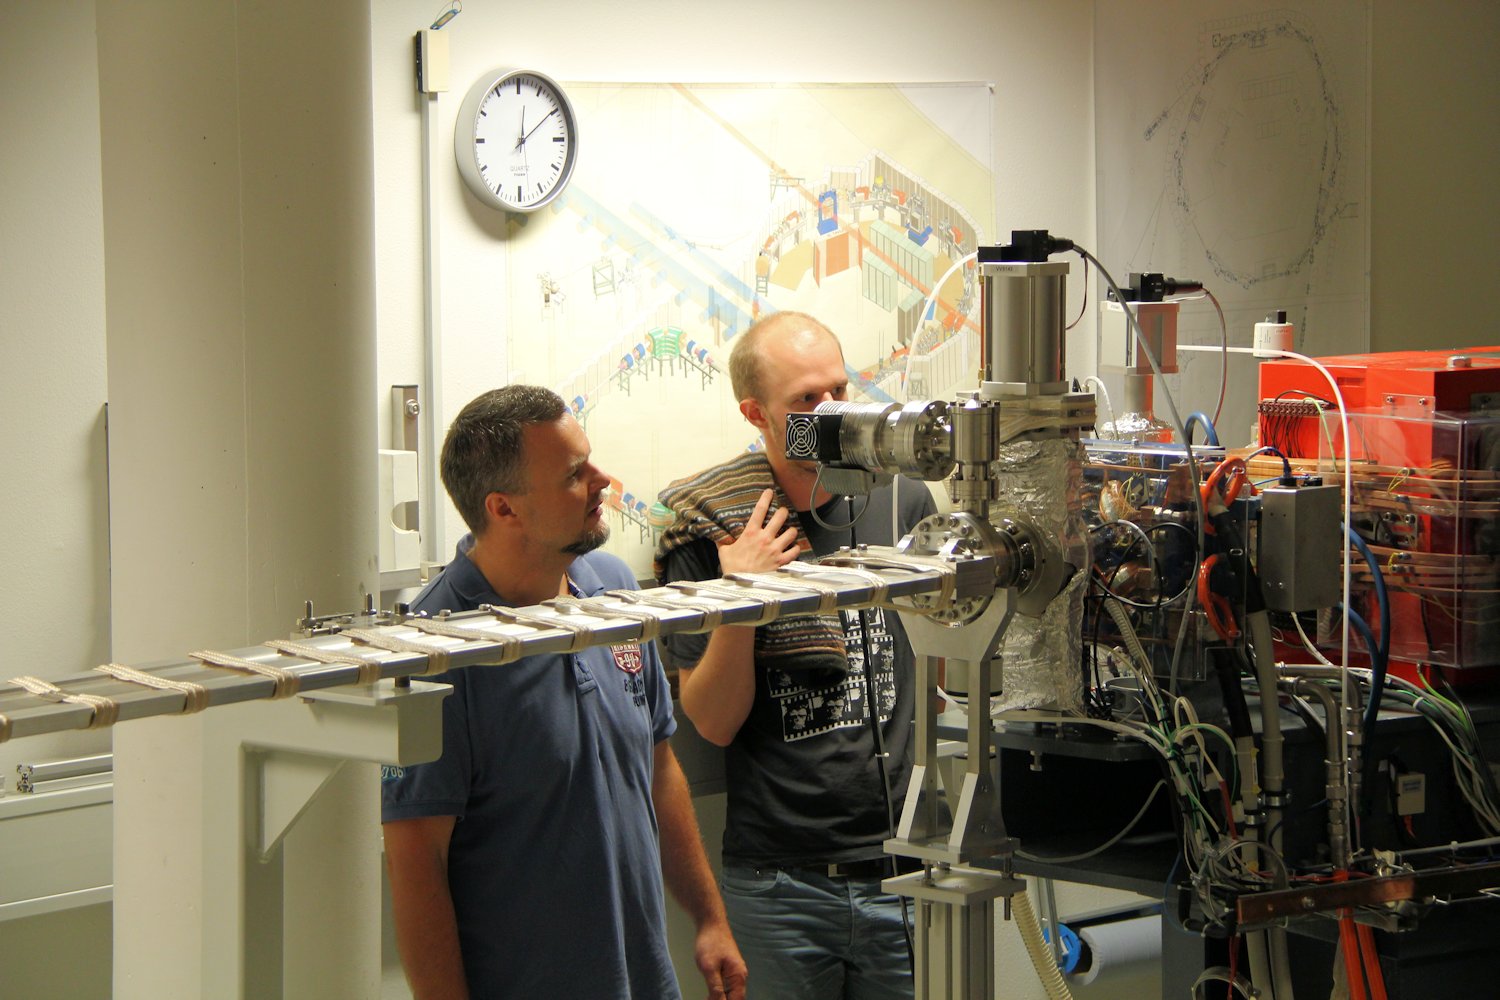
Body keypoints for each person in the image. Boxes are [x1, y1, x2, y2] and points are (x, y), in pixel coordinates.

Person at [382, 385, 746, 1000]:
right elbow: (417, 864)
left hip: (644, 979)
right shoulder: (437, 651)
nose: (602, 480)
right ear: (504, 508)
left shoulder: (612, 587)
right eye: (575, 474)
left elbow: (658, 769)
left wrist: (709, 919)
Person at [655, 313, 936, 1000]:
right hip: (781, 882)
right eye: (807, 401)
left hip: (903, 867)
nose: (832, 412)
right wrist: (741, 595)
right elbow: (713, 722)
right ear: (756, 414)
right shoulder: (718, 526)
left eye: (839, 390)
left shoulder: (900, 499)